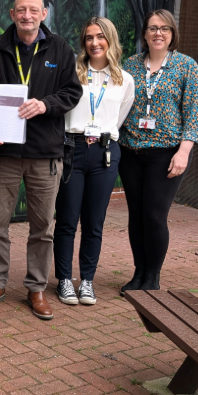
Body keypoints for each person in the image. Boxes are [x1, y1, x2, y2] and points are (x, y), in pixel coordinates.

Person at [0, 0, 82, 320]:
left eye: (33, 10)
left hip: (45, 153)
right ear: (12, 13)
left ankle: (36, 288)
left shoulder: (60, 49)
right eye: (21, 10)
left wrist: (46, 104)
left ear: (44, 13)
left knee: (42, 227)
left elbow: (72, 92)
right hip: (4, 152)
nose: (27, 15)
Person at [118, 9, 198, 294]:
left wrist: (184, 152)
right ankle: (138, 273)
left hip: (166, 153)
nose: (158, 33)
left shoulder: (186, 66)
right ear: (144, 33)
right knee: (136, 214)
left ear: (172, 34)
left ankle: (152, 277)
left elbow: (193, 114)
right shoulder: (129, 66)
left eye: (164, 29)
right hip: (130, 151)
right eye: (153, 28)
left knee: (154, 215)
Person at [54, 17, 135, 306]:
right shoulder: (72, 74)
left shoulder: (124, 80)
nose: (94, 42)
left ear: (110, 40)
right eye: (89, 37)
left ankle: (86, 280)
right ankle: (64, 279)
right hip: (72, 148)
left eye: (100, 37)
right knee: (66, 220)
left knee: (94, 223)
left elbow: (119, 118)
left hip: (105, 151)